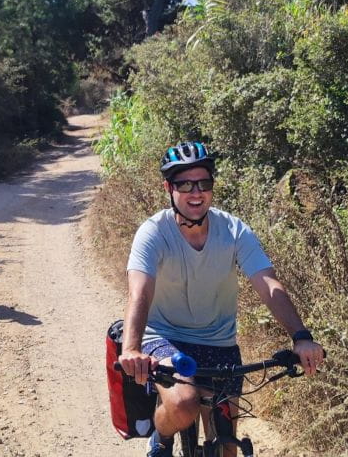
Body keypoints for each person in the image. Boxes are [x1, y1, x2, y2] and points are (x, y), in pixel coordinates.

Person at [117, 141, 325, 457]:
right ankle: (162, 435)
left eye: (204, 183)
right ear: (168, 188)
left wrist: (301, 336)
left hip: (219, 344)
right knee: (183, 402)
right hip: (164, 337)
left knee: (228, 447)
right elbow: (140, 293)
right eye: (184, 184)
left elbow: (268, 285)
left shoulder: (233, 230)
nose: (196, 192)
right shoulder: (153, 232)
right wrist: (132, 348)